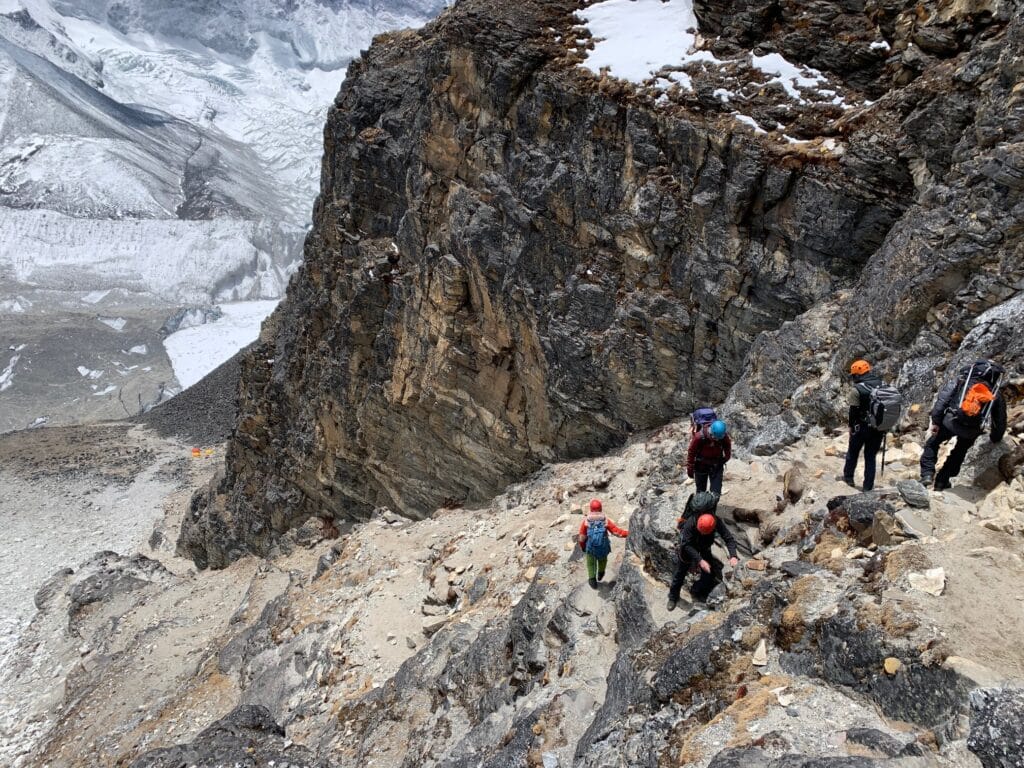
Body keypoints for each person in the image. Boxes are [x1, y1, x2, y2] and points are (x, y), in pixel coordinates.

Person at [921, 360, 1006, 490]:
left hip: (950, 421)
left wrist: (936, 421)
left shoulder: (962, 381)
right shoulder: (995, 393)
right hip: (972, 429)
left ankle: (927, 474)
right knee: (959, 452)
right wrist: (996, 437)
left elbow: (942, 400)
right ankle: (942, 481)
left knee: (932, 443)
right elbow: (999, 419)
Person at [667, 492, 738, 610]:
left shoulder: (716, 522)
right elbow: (686, 545)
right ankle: (673, 597)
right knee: (680, 574)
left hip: (704, 547)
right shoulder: (690, 524)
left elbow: (728, 538)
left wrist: (733, 556)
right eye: (701, 531)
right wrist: (700, 561)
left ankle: (697, 590)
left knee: (708, 573)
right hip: (688, 550)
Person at [842, 359, 886, 491]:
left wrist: (851, 426)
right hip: (878, 428)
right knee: (870, 457)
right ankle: (868, 487)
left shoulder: (857, 390)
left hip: (861, 427)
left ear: (856, 375)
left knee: (853, 452)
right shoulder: (883, 385)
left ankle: (849, 478)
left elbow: (853, 411)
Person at [577, 499, 628, 589]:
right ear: (601, 508)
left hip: (591, 547)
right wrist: (628, 533)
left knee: (591, 564)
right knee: (603, 560)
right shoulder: (605, 520)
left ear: (590, 509)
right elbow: (617, 532)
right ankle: (601, 573)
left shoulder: (586, 521)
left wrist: (583, 547)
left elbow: (582, 538)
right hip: (603, 547)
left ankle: (592, 580)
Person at [687, 419, 731, 495]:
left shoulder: (723, 436)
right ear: (711, 432)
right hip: (701, 465)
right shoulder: (699, 437)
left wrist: (726, 457)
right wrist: (690, 468)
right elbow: (691, 452)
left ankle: (712, 506)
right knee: (701, 491)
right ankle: (701, 505)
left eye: (718, 438)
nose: (716, 440)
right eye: (715, 438)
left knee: (716, 492)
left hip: (716, 465)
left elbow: (727, 446)